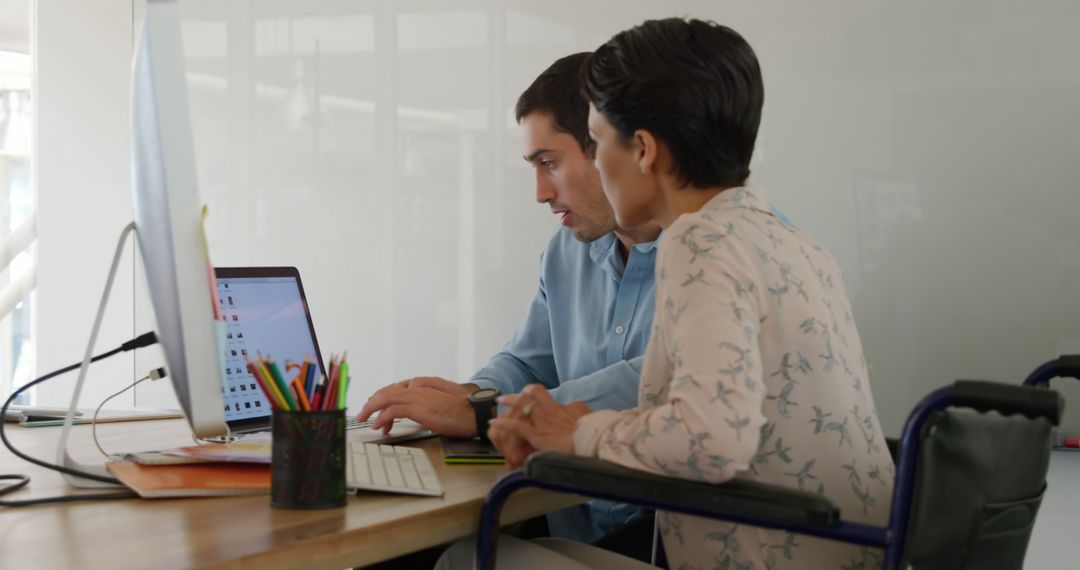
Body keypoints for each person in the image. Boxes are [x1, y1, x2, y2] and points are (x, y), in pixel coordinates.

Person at [438, 17, 894, 570]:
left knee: (463, 558)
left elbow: (711, 438)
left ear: (645, 150)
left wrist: (578, 430)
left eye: (600, 140)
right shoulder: (797, 245)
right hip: (852, 557)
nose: (601, 164)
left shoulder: (698, 240)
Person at [358, 52, 663, 551]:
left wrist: (486, 416)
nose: (541, 192)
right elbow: (528, 359)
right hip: (567, 513)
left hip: (661, 528)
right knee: (399, 549)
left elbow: (656, 382)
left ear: (609, 146)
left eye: (549, 163)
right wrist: (473, 394)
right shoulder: (569, 248)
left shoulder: (711, 252)